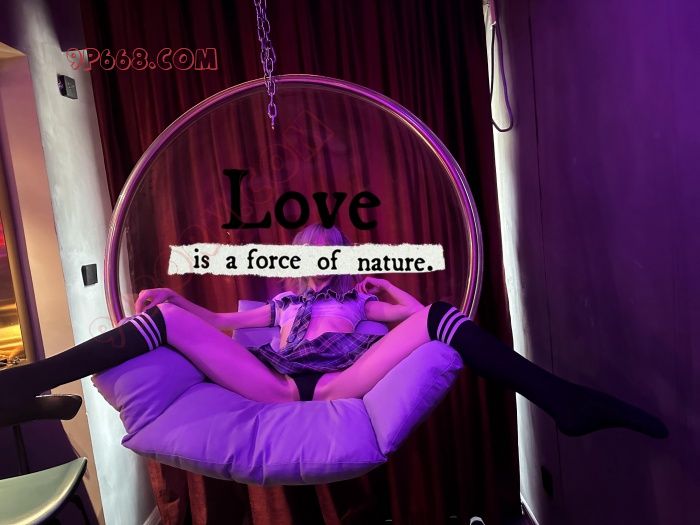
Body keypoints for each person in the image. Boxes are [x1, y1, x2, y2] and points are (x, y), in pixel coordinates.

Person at [0, 224, 667, 439]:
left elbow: (426, 324)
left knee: (441, 315)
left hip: (337, 384)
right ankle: (24, 383)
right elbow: (220, 323)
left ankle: (563, 402)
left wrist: (393, 294)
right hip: (272, 383)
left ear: (342, 258)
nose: (318, 260)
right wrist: (179, 300)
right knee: (167, 318)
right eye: (308, 251)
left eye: (330, 251)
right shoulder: (284, 304)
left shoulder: (357, 306)